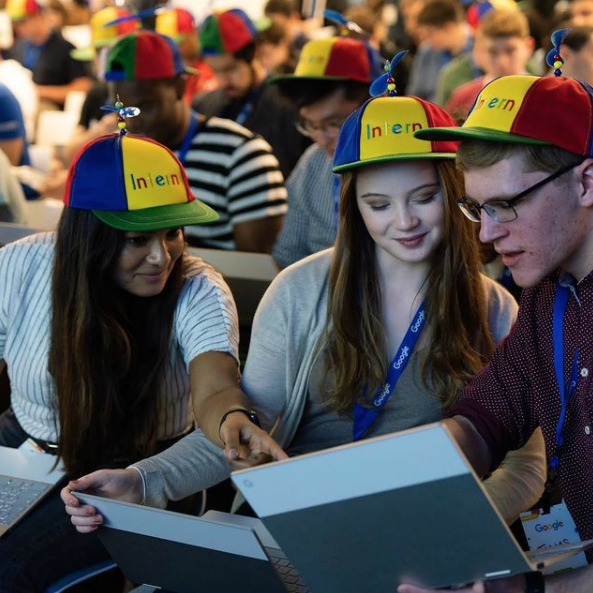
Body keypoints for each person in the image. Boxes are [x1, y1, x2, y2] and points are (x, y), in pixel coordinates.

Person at [62, 82, 545, 533]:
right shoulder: (301, 290)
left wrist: (462, 521)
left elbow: (526, 463)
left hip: (421, 522)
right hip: (299, 514)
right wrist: (145, 481)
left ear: (456, 192)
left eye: (424, 198)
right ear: (352, 206)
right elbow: (250, 426)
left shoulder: (495, 308)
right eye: (379, 205)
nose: (404, 222)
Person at [0, 111, 285, 591]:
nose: (162, 256)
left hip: (134, 476)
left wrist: (234, 419)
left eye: (172, 232)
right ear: (87, 237)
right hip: (25, 452)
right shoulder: (22, 264)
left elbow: (214, 385)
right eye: (137, 239)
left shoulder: (199, 288)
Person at [398, 73, 593, 592]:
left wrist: (515, 589)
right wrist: (397, 486)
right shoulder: (549, 289)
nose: (486, 233)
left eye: (506, 204)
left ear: (587, 182)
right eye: (477, 208)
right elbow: (491, 410)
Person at [71, 30, 288, 252]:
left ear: (179, 87)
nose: (132, 122)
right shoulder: (119, 154)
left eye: (144, 106)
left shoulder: (243, 155)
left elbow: (254, 271)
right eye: (123, 110)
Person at [270, 34, 384, 268]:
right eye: (311, 125)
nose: (321, 139)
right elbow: (287, 255)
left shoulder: (410, 163)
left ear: (377, 103)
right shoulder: (313, 163)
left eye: (334, 123)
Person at [194, 8, 310, 179]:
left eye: (230, 69)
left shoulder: (290, 104)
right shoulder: (204, 107)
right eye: (215, 71)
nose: (222, 81)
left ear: (253, 52)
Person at [446, 9, 534, 122]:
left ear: (529, 47)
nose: (502, 61)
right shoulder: (462, 97)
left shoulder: (542, 95)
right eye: (493, 52)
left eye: (510, 50)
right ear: (479, 52)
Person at [6, 0, 92, 109]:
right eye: (14, 22)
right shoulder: (18, 46)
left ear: (38, 16)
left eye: (22, 21)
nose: (18, 27)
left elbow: (83, 86)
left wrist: (37, 91)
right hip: (20, 101)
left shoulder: (65, 48)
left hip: (47, 109)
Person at [407, 0, 474, 102]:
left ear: (448, 28)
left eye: (430, 34)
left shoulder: (477, 51)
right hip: (429, 114)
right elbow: (414, 96)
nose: (426, 40)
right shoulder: (427, 51)